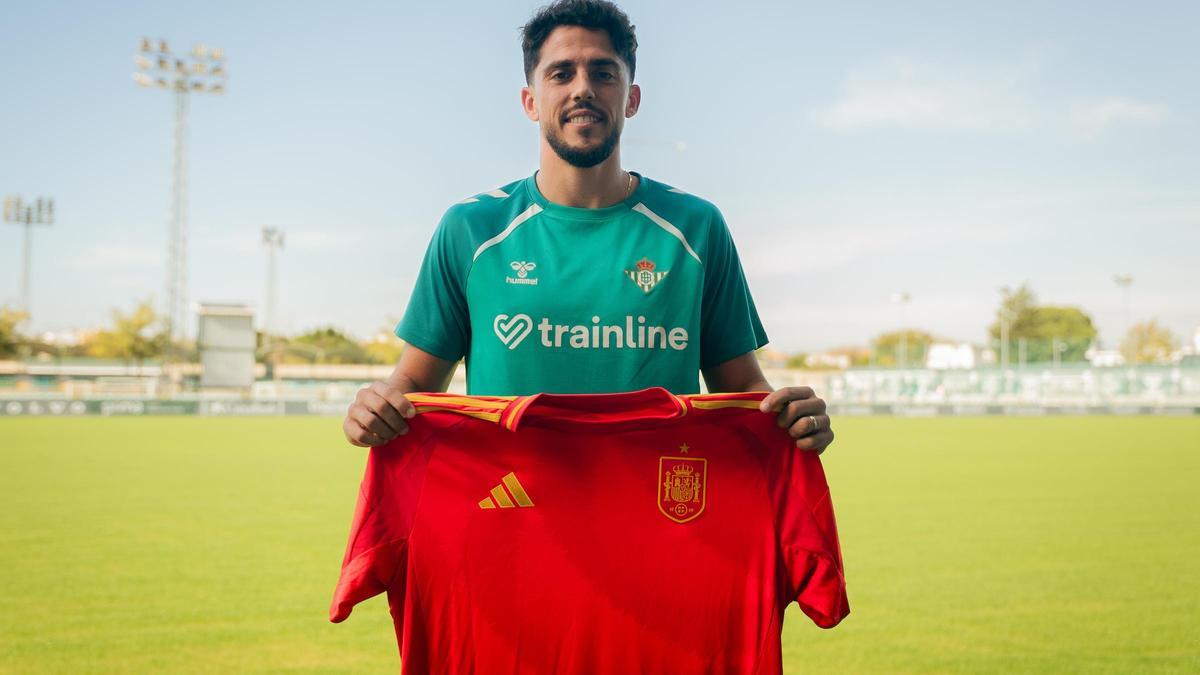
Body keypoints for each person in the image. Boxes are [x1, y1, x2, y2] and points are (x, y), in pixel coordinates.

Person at [343, 0, 834, 454]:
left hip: (655, 523)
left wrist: (791, 416)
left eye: (603, 72)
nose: (583, 88)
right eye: (561, 73)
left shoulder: (696, 226)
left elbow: (743, 387)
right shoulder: (471, 228)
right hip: (511, 520)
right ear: (530, 101)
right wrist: (377, 407)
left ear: (631, 97)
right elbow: (412, 385)